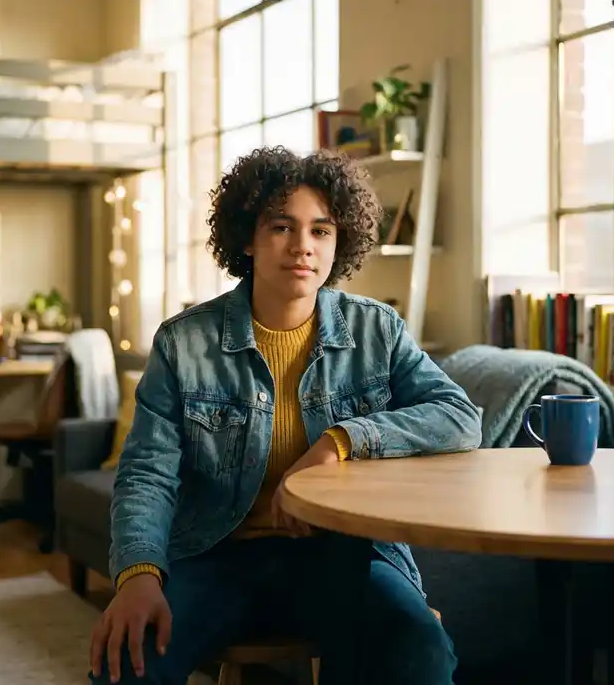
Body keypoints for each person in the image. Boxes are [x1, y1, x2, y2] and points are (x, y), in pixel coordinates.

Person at [89, 146, 483, 685]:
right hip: (214, 555)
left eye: (321, 231)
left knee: (420, 648)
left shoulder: (377, 331)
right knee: (125, 660)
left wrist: (341, 440)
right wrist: (137, 574)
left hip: (342, 555)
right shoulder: (184, 342)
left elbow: (459, 416)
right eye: (282, 227)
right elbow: (147, 473)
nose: (303, 247)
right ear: (247, 239)